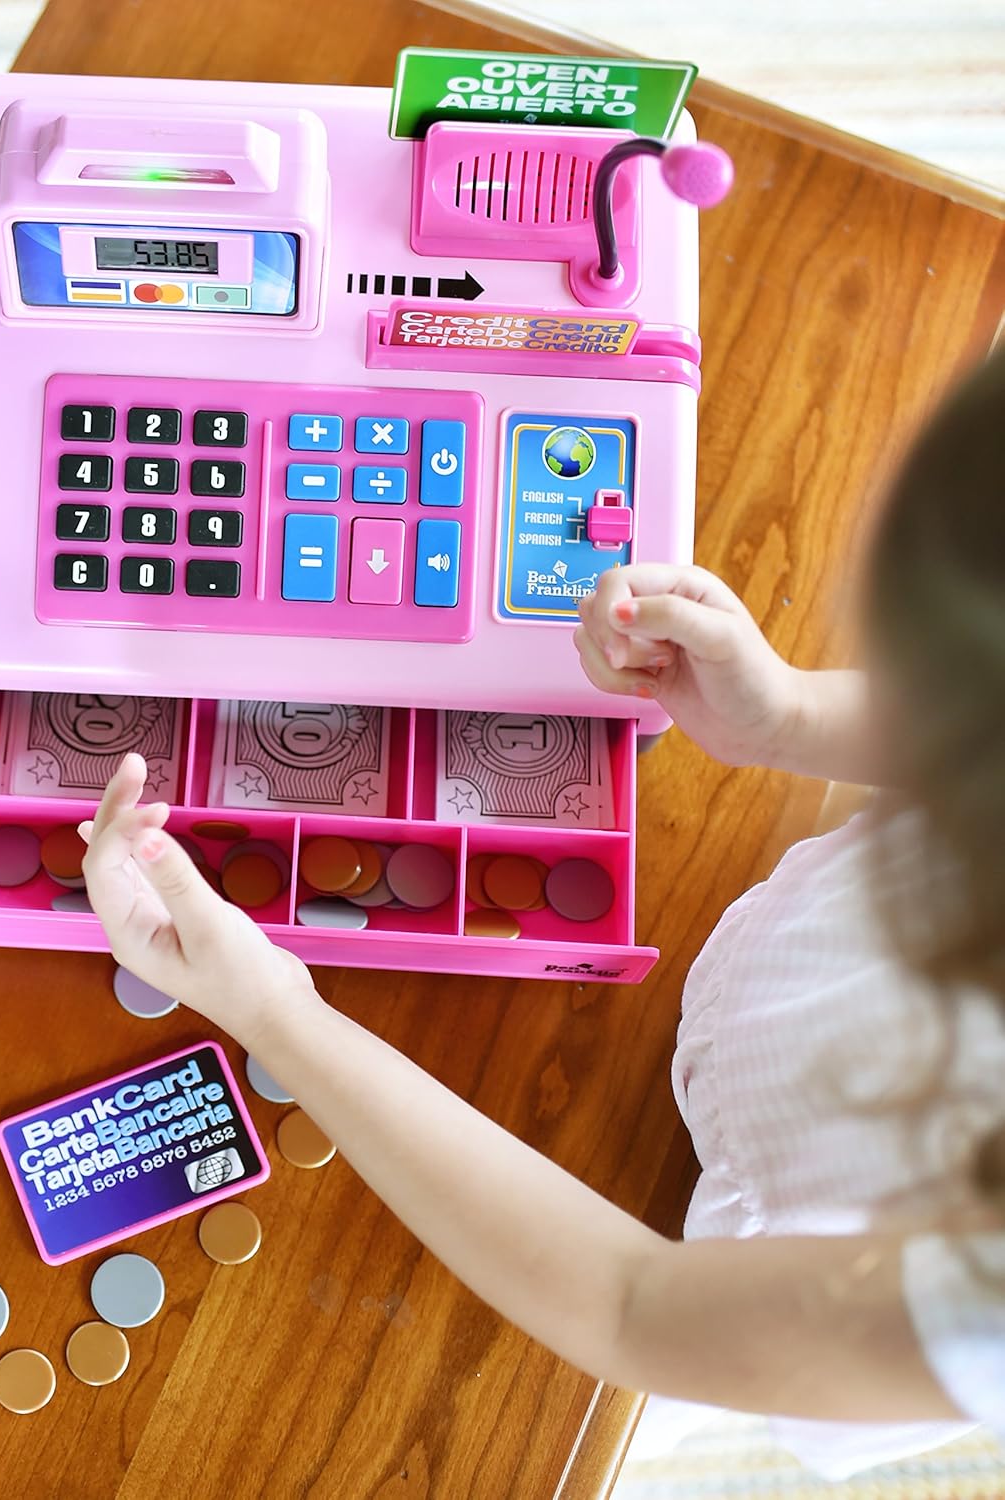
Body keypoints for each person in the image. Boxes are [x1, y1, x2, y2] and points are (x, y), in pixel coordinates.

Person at [78, 349, 1005, 1477]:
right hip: (780, 1003)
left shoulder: (973, 1305)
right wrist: (795, 720)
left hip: (738, 1271)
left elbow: (635, 1307)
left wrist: (276, 1011)